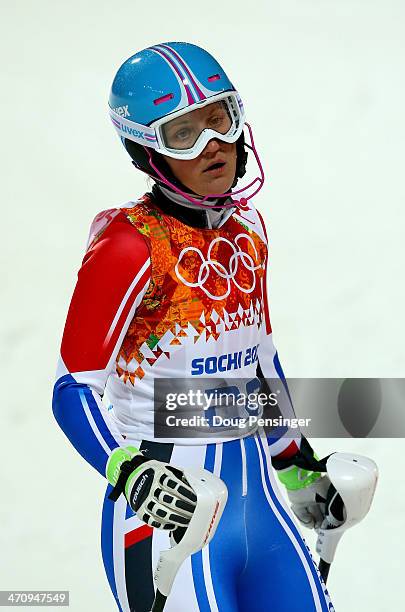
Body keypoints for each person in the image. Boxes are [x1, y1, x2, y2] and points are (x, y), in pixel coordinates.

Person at [53, 42, 336, 611]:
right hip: (171, 512)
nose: (212, 145)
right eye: (183, 134)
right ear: (146, 150)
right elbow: (72, 390)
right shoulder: (128, 247)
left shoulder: (248, 230)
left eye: (219, 120)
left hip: (261, 504)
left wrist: (294, 461)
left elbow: (259, 363)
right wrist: (130, 471)